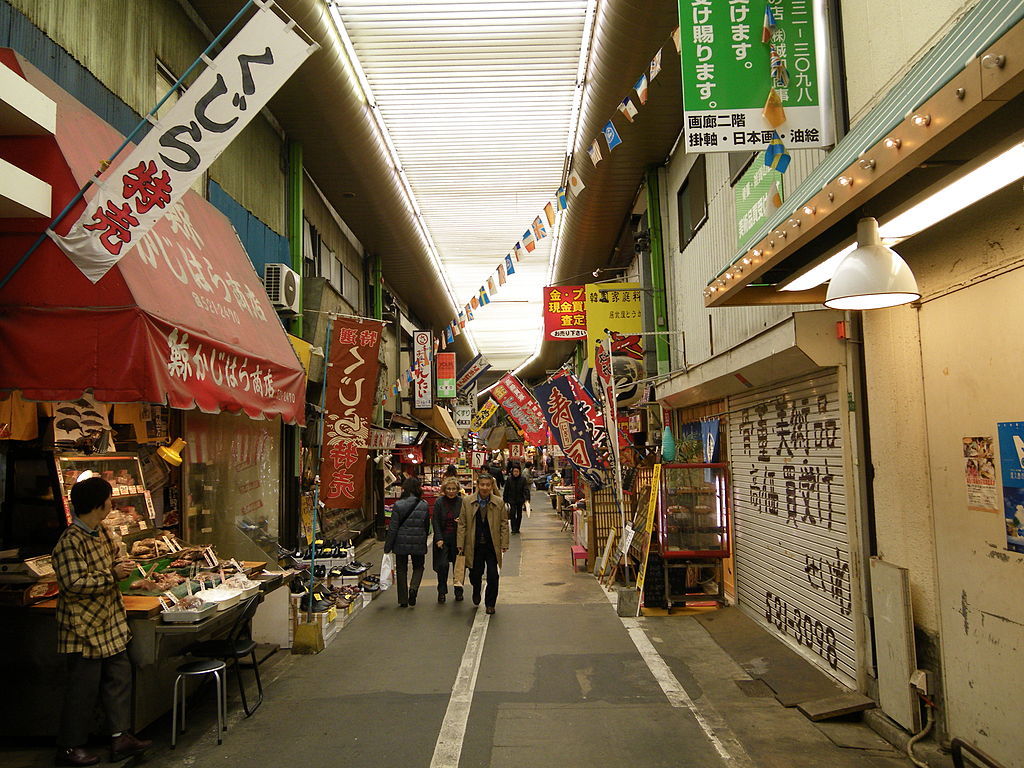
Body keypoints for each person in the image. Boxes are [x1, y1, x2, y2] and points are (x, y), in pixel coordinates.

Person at [51, 477, 152, 767]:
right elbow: (73, 583)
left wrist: (124, 566)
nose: (112, 503)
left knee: (119, 679)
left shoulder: (103, 531)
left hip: (110, 620)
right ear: (98, 504)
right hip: (83, 626)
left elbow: (116, 557)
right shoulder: (70, 542)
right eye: (108, 498)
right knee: (82, 689)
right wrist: (112, 574)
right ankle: (69, 747)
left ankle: (120, 737)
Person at [457, 473, 509, 615]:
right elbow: (462, 524)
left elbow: (504, 524)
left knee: (493, 575)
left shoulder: (498, 502)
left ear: (492, 486)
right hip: (474, 545)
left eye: (488, 485)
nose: (485, 488)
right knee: (475, 573)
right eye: (482, 485)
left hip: (492, 545)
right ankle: (476, 589)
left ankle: (490, 603)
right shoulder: (467, 501)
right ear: (477, 485)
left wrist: (504, 542)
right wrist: (460, 543)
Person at [384, 477, 430, 608]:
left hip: (400, 541)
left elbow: (393, 528)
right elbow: (427, 526)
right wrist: (423, 537)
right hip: (418, 540)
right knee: (418, 567)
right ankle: (413, 588)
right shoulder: (424, 505)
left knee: (401, 569)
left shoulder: (398, 505)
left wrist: (388, 546)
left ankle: (403, 599)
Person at [432, 478, 464, 603]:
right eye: (448, 489)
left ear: (457, 490)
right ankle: (442, 591)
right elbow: (435, 521)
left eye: (453, 489)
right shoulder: (439, 502)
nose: (451, 491)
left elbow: (466, 519)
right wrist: (439, 538)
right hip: (443, 538)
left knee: (458, 566)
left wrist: (460, 521)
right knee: (442, 566)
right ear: (444, 490)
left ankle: (458, 590)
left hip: (457, 539)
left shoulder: (462, 502)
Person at [503, 465, 531, 535]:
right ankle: (513, 528)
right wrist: (505, 499)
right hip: (511, 499)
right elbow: (506, 489)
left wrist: (527, 498)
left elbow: (526, 489)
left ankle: (517, 528)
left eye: (517, 471)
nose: (515, 473)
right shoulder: (509, 479)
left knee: (519, 514)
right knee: (512, 514)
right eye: (514, 471)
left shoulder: (523, 479)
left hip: (520, 500)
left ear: (519, 472)